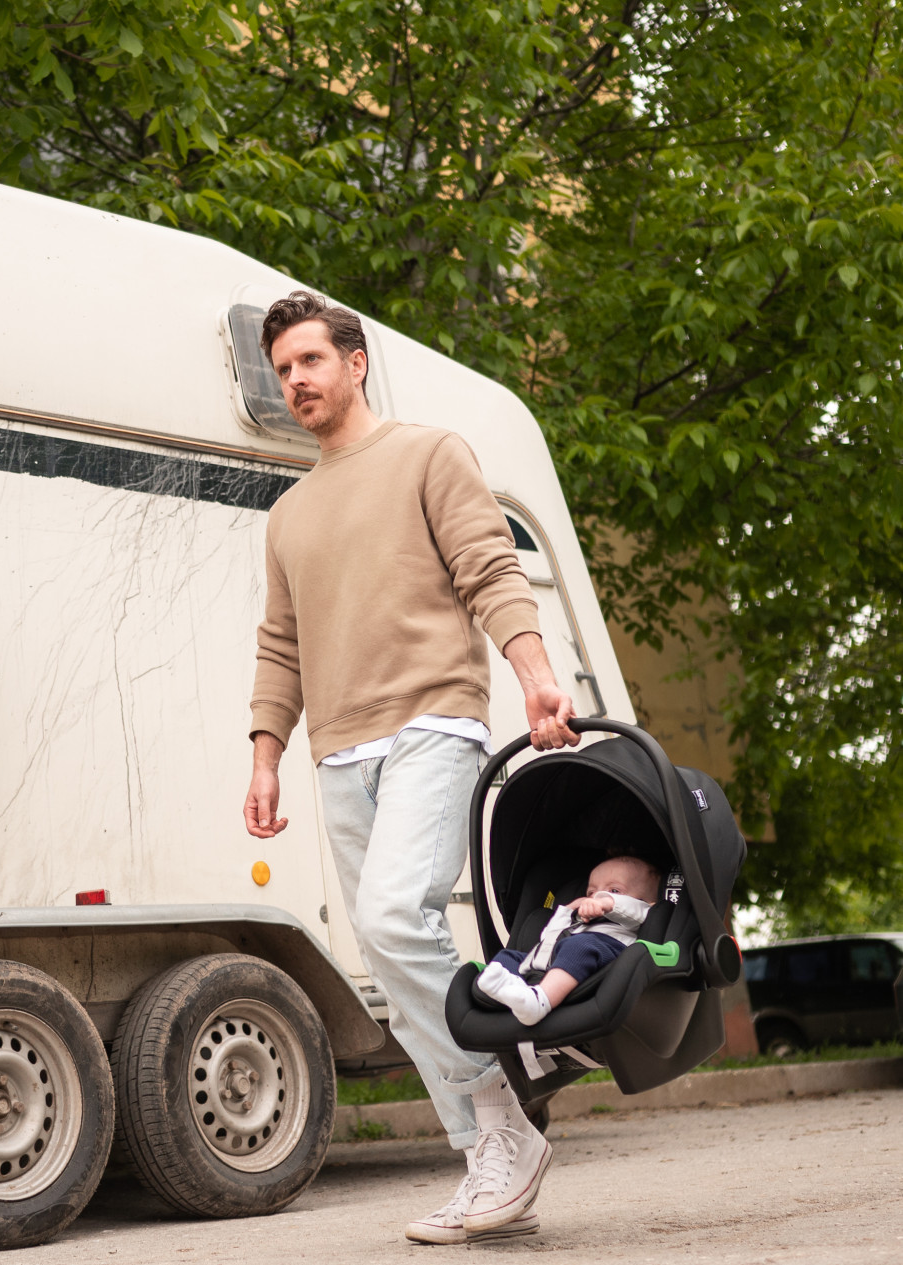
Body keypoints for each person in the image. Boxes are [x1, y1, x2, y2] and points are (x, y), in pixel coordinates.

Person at [240, 290, 581, 1246]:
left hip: (433, 723)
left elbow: (490, 569)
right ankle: (490, 1156)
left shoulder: (430, 454)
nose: (296, 380)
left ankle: (508, 1098)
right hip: (337, 753)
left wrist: (537, 679)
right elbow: (280, 645)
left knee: (396, 916)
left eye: (311, 360)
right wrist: (266, 756)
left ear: (355, 362)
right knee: (390, 958)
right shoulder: (288, 514)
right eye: (282, 369)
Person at [477, 855, 661, 1025]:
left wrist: (607, 903)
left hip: (602, 955)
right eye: (591, 892)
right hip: (553, 957)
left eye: (614, 890)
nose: (598, 895)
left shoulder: (643, 912)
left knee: (579, 946)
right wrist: (568, 911)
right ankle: (512, 987)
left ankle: (540, 1002)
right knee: (509, 956)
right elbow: (549, 936)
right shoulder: (582, 918)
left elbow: (635, 909)